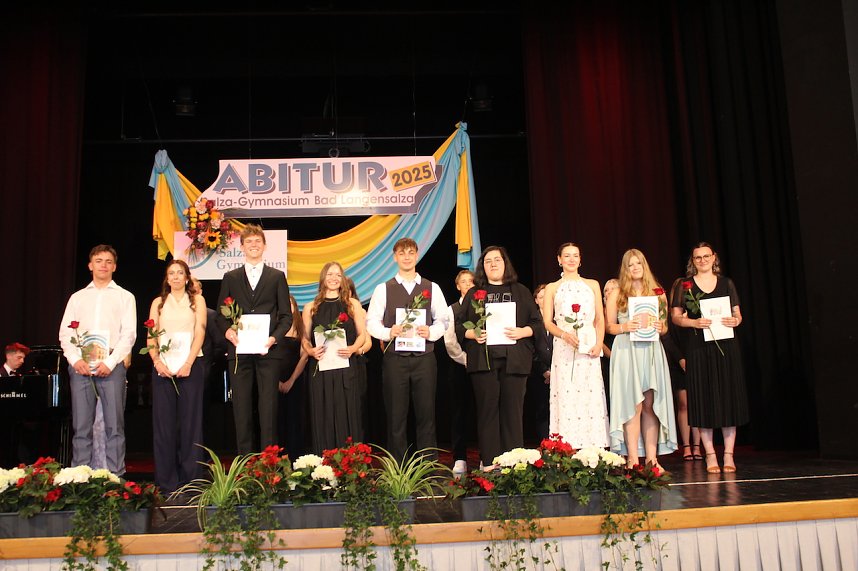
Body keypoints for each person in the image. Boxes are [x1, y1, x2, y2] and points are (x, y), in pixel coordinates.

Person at [456, 246, 541, 467]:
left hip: (515, 360)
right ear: (482, 267)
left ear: (505, 263)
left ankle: (514, 461)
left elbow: (537, 324)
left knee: (513, 412)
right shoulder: (475, 294)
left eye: (497, 260)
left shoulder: (521, 291)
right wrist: (471, 333)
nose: (493, 264)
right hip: (484, 361)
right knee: (487, 411)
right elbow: (457, 326)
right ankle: (490, 462)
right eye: (488, 261)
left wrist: (523, 331)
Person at [367, 237, 448, 461]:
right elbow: (371, 322)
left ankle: (427, 465)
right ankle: (398, 468)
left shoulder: (432, 288)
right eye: (402, 253)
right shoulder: (383, 289)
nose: (406, 257)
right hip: (395, 359)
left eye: (410, 252)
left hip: (424, 359)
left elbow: (444, 320)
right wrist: (387, 332)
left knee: (426, 414)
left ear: (417, 255)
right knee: (396, 415)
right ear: (395, 257)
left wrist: (430, 332)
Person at [58, 244, 136, 476]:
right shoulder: (77, 298)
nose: (104, 265)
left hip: (111, 366)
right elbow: (66, 333)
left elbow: (129, 334)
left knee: (114, 427)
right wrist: (74, 359)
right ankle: (79, 479)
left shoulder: (125, 297)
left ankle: (115, 478)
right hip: (81, 366)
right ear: (90, 265)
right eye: (99, 261)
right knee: (81, 427)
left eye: (108, 261)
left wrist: (110, 362)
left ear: (115, 266)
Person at [670, 242, 748, 474]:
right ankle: (710, 455)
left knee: (728, 399)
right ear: (692, 261)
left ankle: (728, 455)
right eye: (698, 258)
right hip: (698, 349)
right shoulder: (685, 285)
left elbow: (737, 314)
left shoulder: (726, 283)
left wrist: (735, 321)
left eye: (706, 256)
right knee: (703, 400)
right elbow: (675, 317)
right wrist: (693, 322)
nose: (702, 261)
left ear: (714, 258)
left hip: (726, 346)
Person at [216, 224, 293, 454]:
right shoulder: (230, 277)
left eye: (257, 242)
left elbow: (286, 317)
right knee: (241, 408)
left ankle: (268, 465)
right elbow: (221, 314)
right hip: (239, 353)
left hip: (268, 352)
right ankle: (245, 464)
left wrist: (273, 338)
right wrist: (228, 332)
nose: (253, 245)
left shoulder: (276, 276)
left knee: (268, 408)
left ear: (265, 246)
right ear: (241, 247)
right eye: (248, 242)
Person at [606, 248, 677, 469]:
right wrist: (625, 326)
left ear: (644, 266)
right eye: (631, 265)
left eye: (639, 263)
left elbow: (664, 327)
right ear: (625, 269)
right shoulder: (617, 293)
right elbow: (609, 326)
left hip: (651, 351)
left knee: (650, 404)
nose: (635, 268)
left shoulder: (658, 293)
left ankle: (652, 458)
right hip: (627, 350)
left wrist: (660, 326)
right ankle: (633, 459)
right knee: (632, 405)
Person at [145, 260, 206, 494]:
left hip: (191, 366)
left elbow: (199, 332)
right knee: (164, 425)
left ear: (187, 277)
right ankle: (166, 482)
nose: (176, 277)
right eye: (172, 273)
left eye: (181, 273)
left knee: (191, 424)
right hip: (163, 369)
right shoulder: (158, 303)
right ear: (167, 278)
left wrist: (189, 362)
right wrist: (157, 362)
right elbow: (151, 335)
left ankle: (191, 482)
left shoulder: (197, 300)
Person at [541, 243, 609, 450]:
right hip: (564, 347)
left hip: (589, 347)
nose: (571, 259)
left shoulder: (593, 284)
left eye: (575, 255)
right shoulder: (552, 287)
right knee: (567, 394)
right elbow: (547, 322)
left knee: (590, 394)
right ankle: (566, 446)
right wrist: (564, 335)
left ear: (580, 259)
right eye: (567, 256)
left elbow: (599, 318)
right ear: (559, 259)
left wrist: (599, 343)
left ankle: (594, 446)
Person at [302, 262, 367, 452]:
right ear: (323, 278)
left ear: (342, 279)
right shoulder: (311, 307)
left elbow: (362, 334)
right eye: (330, 274)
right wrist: (311, 351)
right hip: (320, 370)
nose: (333, 278)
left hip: (346, 368)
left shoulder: (352, 304)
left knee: (348, 413)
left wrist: (353, 348)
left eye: (338, 275)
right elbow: (305, 339)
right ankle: (324, 468)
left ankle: (350, 464)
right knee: (324, 414)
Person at [665, 277, 701, 461]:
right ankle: (686, 446)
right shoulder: (670, 316)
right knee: (684, 404)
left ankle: (698, 446)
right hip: (677, 362)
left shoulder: (695, 313)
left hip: (696, 358)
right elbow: (667, 338)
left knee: (698, 404)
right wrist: (680, 359)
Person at [443, 269, 475, 474]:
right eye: (464, 282)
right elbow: (450, 340)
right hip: (459, 365)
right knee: (459, 412)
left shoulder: (482, 308)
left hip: (482, 366)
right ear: (457, 286)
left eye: (471, 281)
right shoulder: (451, 309)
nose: (468, 284)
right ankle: (460, 457)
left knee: (483, 411)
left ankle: (485, 456)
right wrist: (465, 359)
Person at [277, 294, 309, 458]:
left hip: (295, 380)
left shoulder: (300, 326)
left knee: (295, 419)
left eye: (289, 304)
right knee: (277, 420)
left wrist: (291, 381)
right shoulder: (273, 327)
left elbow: (304, 355)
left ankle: (296, 459)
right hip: (274, 381)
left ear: (295, 307)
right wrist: (276, 381)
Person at [526, 284, 552, 442]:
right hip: (538, 374)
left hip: (558, 373)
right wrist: (544, 371)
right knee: (542, 411)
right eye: (541, 297)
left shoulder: (558, 319)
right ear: (536, 300)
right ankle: (545, 446)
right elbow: (531, 349)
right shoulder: (532, 320)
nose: (544, 300)